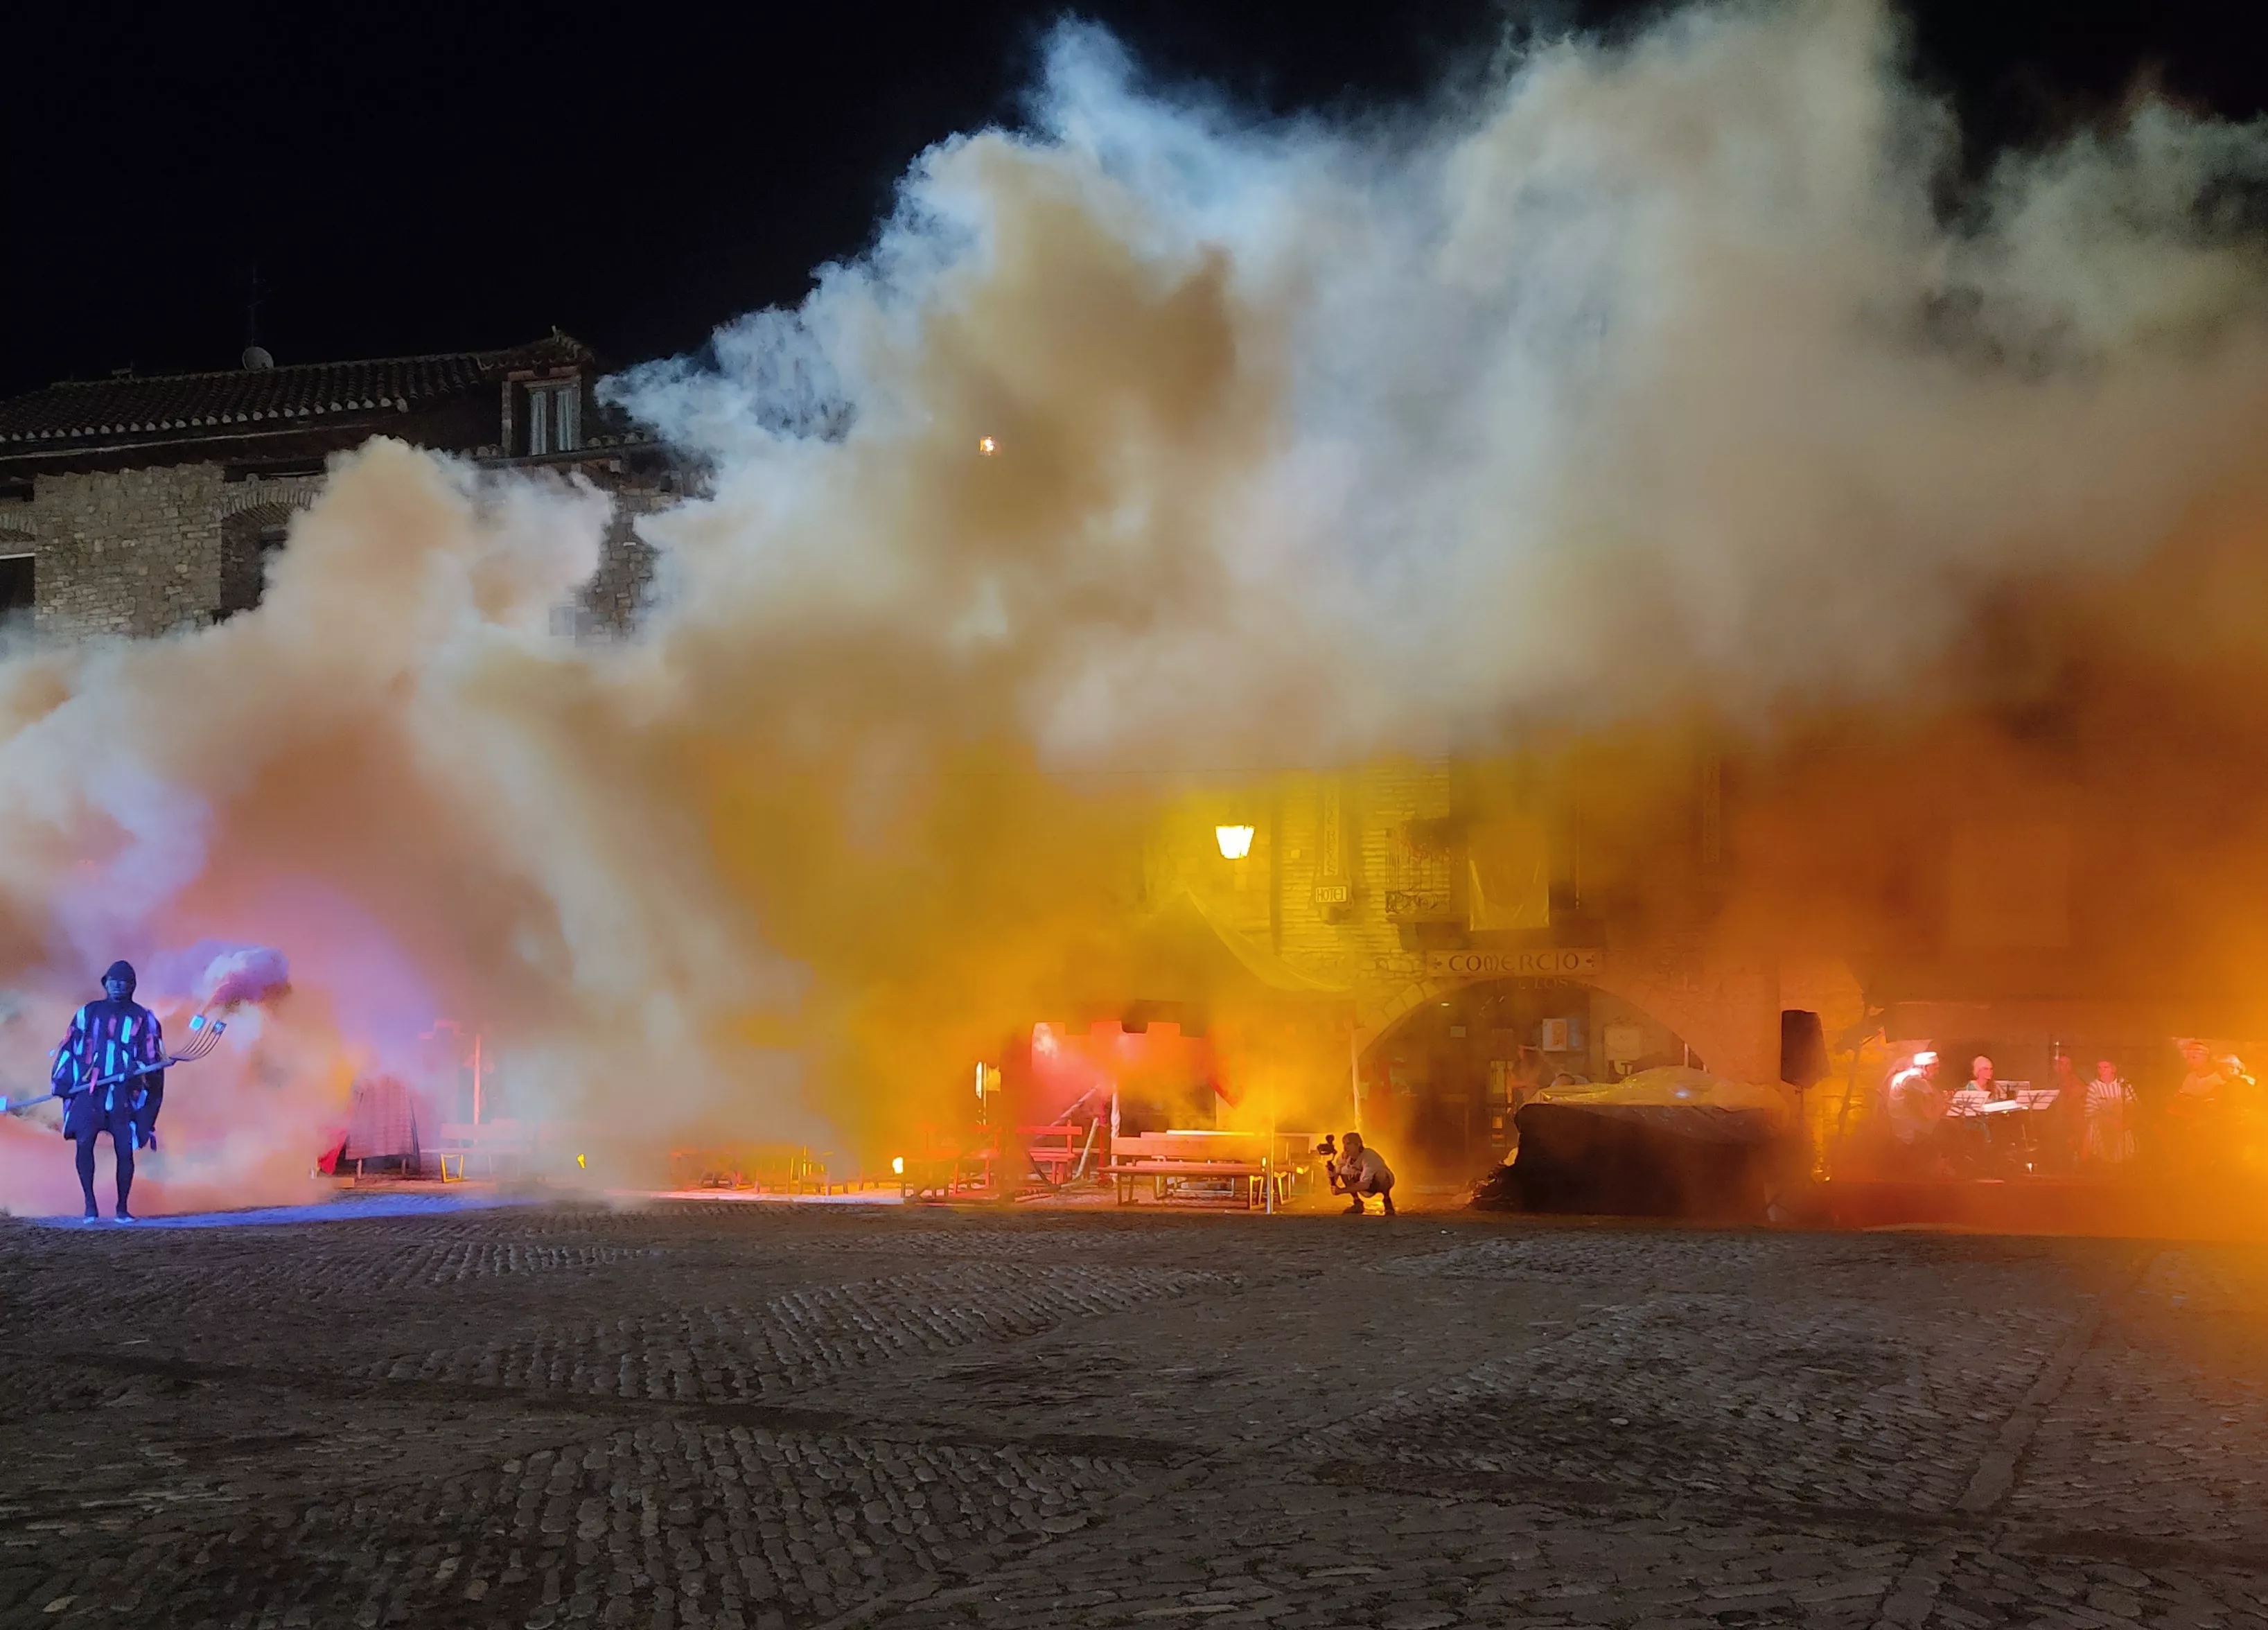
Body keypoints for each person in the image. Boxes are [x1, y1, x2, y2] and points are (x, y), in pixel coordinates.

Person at [51, 960, 166, 1222]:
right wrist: (61, 1081)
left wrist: (137, 1068)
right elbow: (69, 1048)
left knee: (124, 1150)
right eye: (113, 980)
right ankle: (90, 1207)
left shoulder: (143, 1017)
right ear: (105, 983)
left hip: (125, 1096)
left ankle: (122, 1209)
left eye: (124, 981)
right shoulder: (87, 1013)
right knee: (84, 1144)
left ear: (132, 986)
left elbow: (153, 1057)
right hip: (89, 1094)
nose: (118, 985)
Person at [2082, 1058, 2135, 1168]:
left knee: (2126, 1129)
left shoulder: (2123, 1084)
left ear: (2113, 1069)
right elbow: (2091, 1111)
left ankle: (2123, 1164)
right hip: (2101, 1123)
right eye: (2099, 1068)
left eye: (2106, 1068)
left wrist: (2123, 1114)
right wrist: (2109, 1119)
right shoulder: (2094, 1086)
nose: (2102, 1071)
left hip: (2121, 1121)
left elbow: (2133, 1104)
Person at [1331, 1130, 1396, 1216]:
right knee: (1344, 1171)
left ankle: (1387, 1201)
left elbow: (1365, 1184)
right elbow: (1336, 1171)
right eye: (1344, 1144)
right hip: (1363, 1183)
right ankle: (1357, 1203)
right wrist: (1332, 1181)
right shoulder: (1344, 1157)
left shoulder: (1369, 1156)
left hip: (1376, 1182)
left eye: (1349, 1144)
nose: (1345, 1147)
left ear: (1358, 1145)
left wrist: (1341, 1191)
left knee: (1382, 1174)